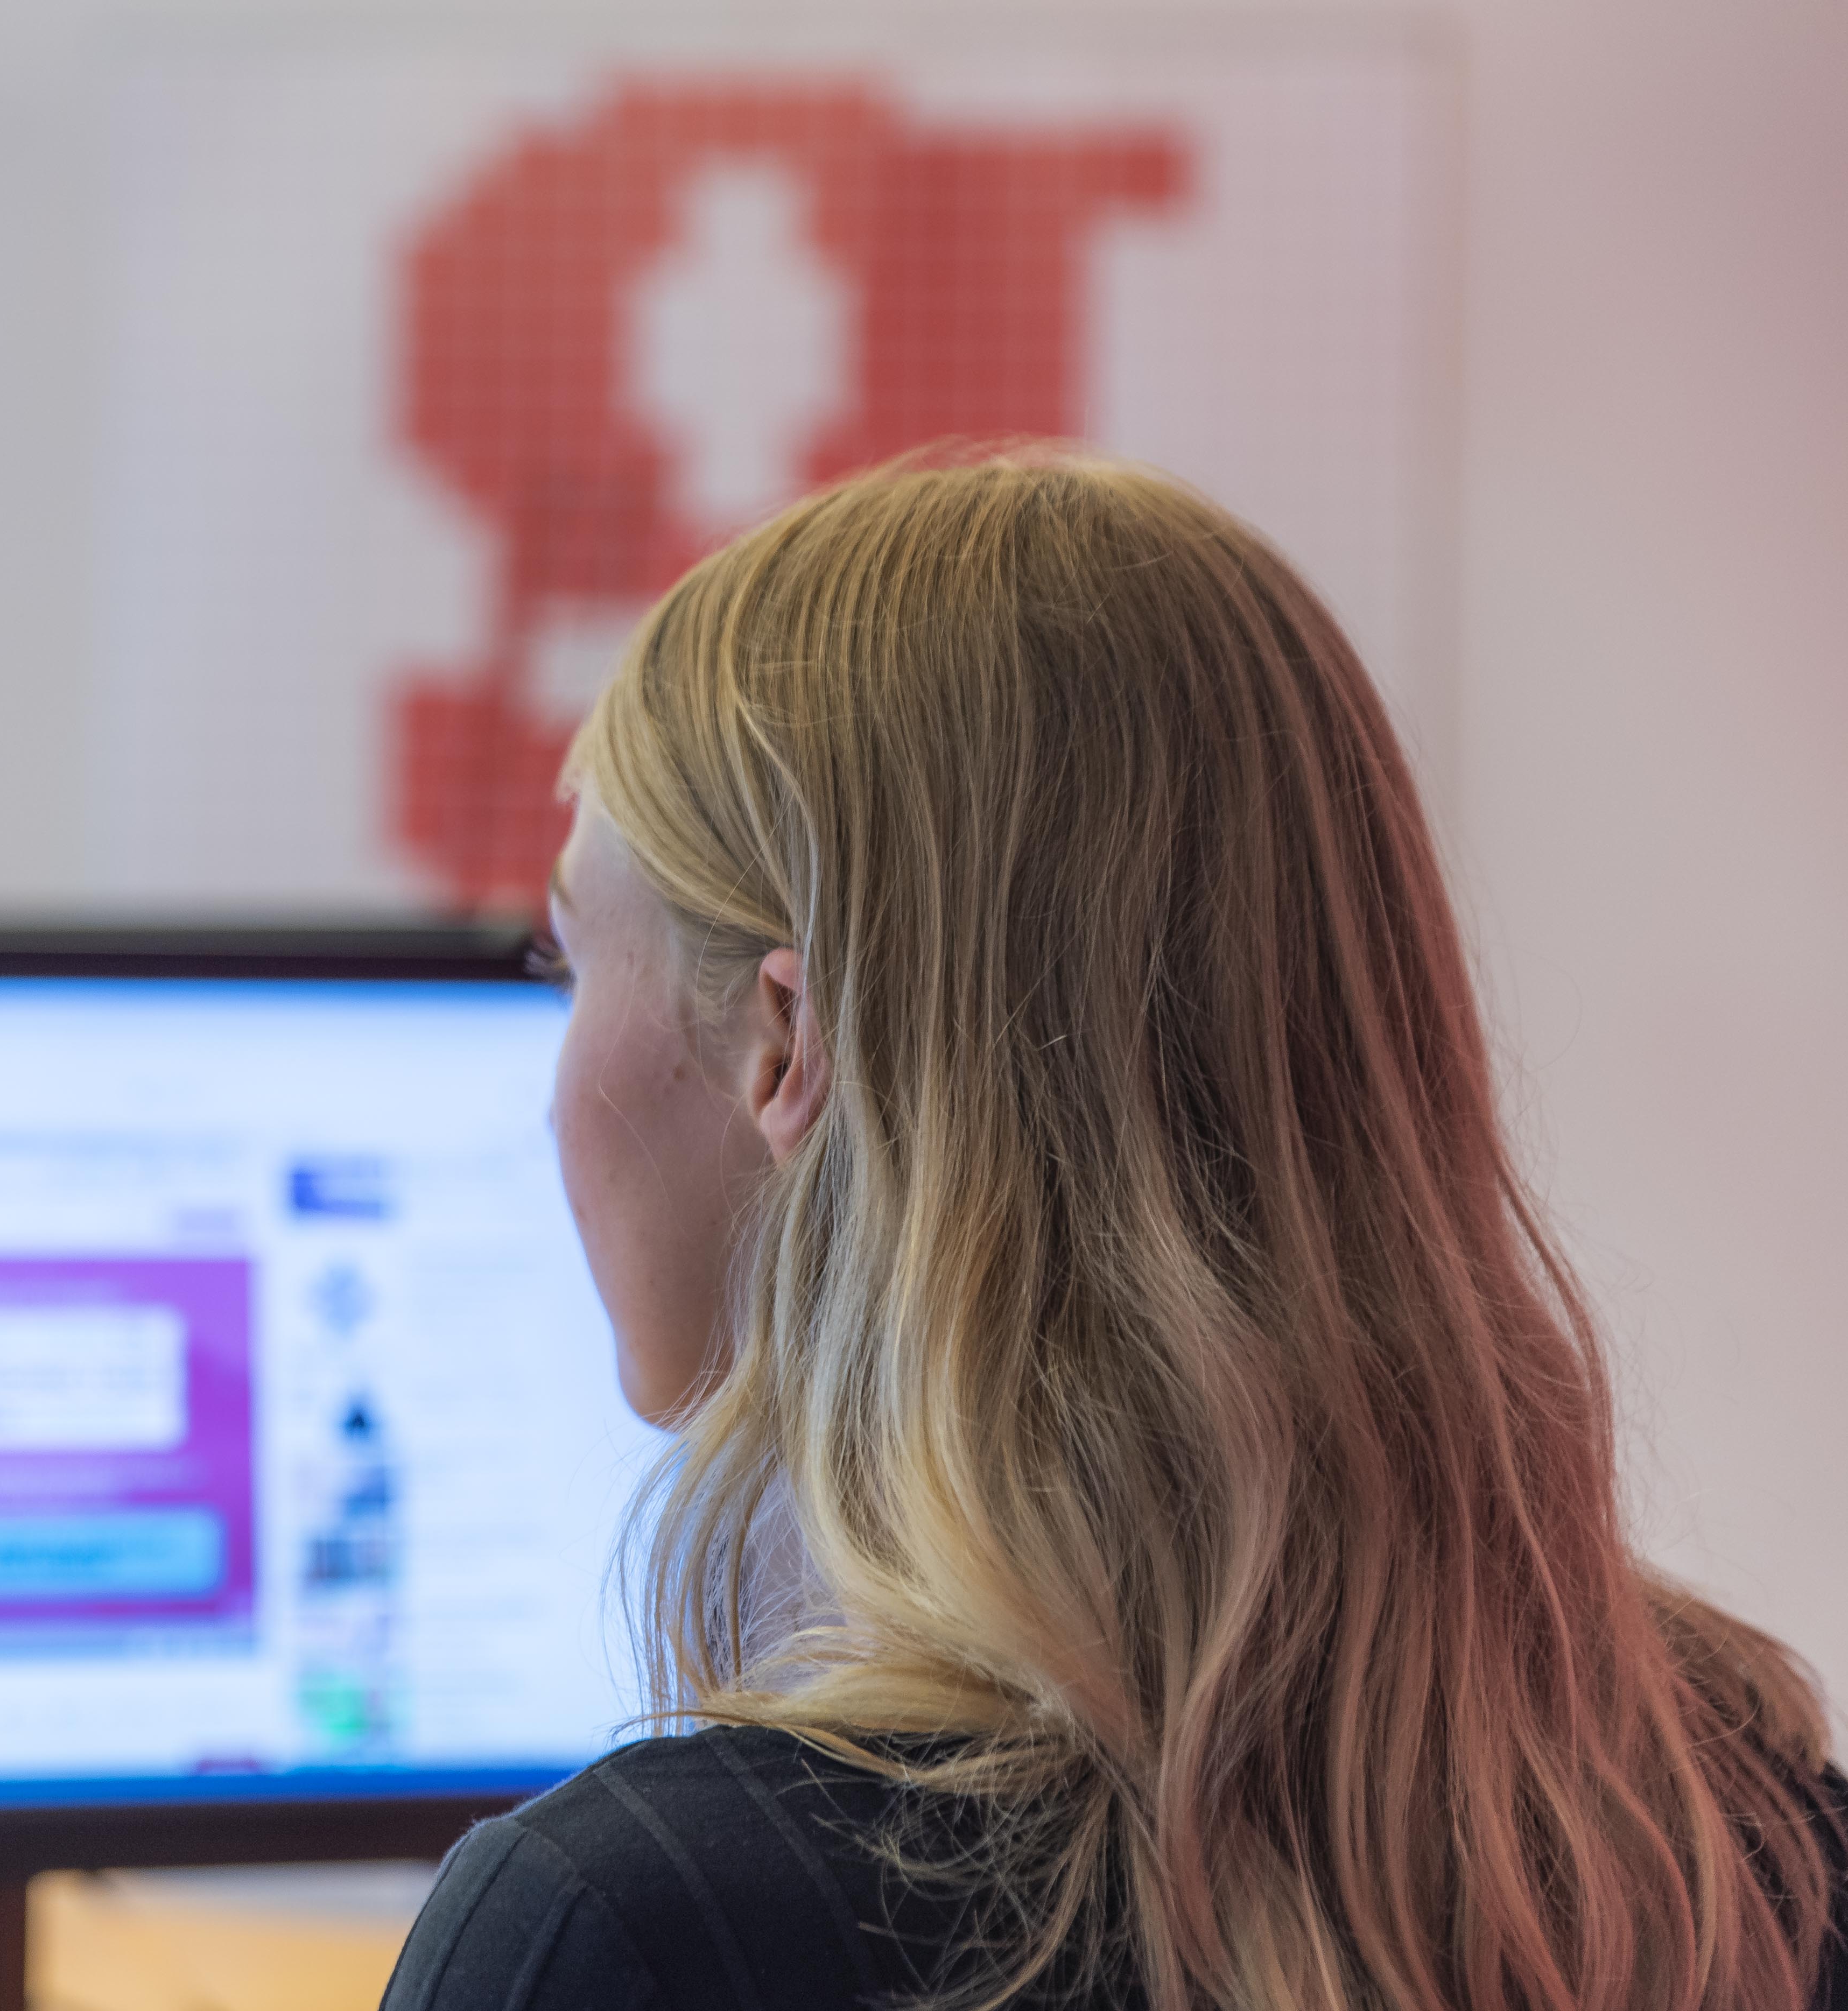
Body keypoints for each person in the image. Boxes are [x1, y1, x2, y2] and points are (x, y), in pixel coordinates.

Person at [382, 452, 1845, 2011]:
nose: (554, 1088)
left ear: (786, 1042)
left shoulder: (636, 1934)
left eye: (567, 962)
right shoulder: (1772, 1860)